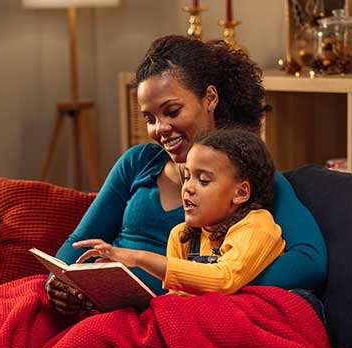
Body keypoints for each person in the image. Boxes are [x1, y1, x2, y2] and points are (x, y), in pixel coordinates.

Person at [47, 35, 327, 315]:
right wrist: (60, 282)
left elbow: (309, 259)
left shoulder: (246, 177)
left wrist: (220, 291)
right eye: (150, 118)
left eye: (172, 111)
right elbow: (80, 239)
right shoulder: (137, 162)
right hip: (103, 307)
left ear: (210, 98)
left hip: (173, 315)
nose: (161, 128)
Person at [74, 128, 284, 296]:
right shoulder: (181, 235)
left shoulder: (257, 225)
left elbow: (224, 279)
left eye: (203, 180)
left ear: (241, 192)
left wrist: (138, 258)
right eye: (187, 177)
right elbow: (178, 299)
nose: (188, 188)